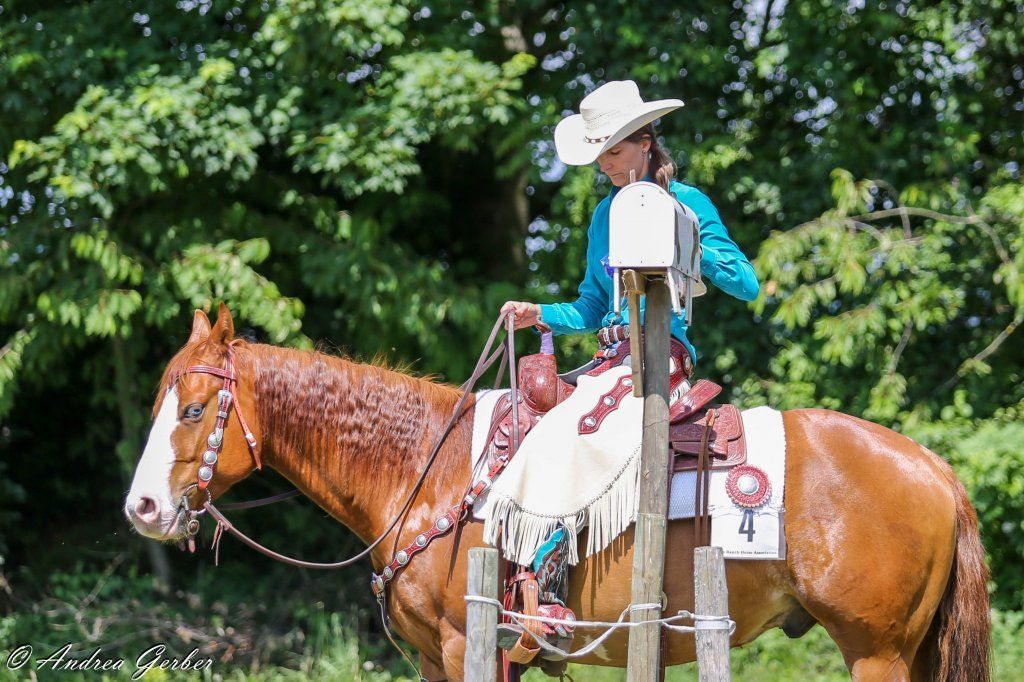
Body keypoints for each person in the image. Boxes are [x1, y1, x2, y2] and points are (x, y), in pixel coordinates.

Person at [483, 80, 758, 652]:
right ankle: (536, 582)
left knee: (576, 433)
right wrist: (542, 313)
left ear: (645, 143)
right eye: (598, 154)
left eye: (613, 150)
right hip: (609, 359)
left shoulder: (689, 202)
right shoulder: (604, 214)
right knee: (532, 426)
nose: (605, 165)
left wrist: (679, 237)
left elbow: (746, 283)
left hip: (664, 356)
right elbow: (589, 306)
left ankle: (551, 589)